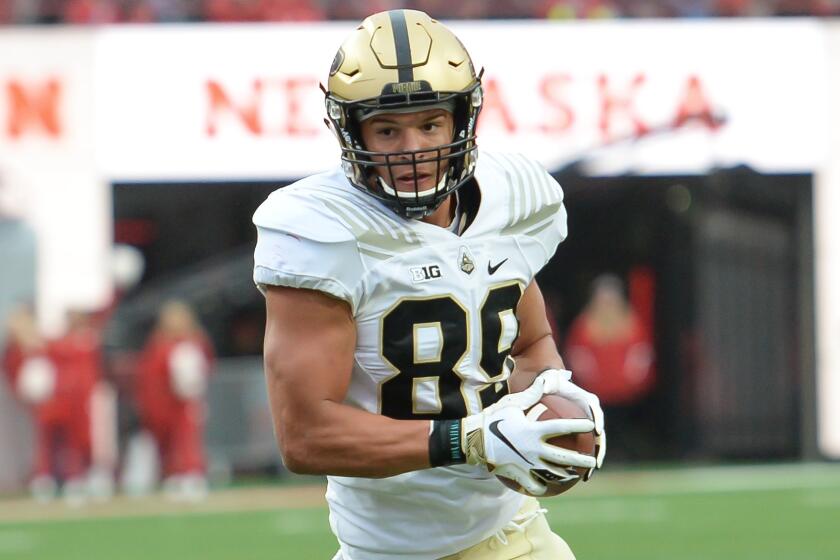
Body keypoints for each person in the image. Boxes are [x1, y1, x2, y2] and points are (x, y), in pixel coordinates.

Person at [253, 10, 605, 559]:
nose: (411, 149)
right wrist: (472, 440)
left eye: (429, 124)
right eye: (388, 130)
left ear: (462, 122)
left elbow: (531, 345)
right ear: (350, 131)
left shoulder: (510, 202)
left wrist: (545, 409)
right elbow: (305, 435)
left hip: (516, 534)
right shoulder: (321, 231)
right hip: (392, 552)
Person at [565, 274, 654, 460]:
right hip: (596, 389)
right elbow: (578, 354)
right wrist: (588, 378)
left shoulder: (630, 323)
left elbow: (640, 353)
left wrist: (634, 377)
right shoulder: (585, 324)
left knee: (623, 424)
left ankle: (626, 454)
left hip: (625, 389)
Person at [135, 301, 214, 500]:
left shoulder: (195, 341)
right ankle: (172, 475)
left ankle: (192, 473)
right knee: (166, 440)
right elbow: (150, 375)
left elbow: (204, 367)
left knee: (188, 437)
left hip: (186, 402)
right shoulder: (159, 344)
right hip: (163, 402)